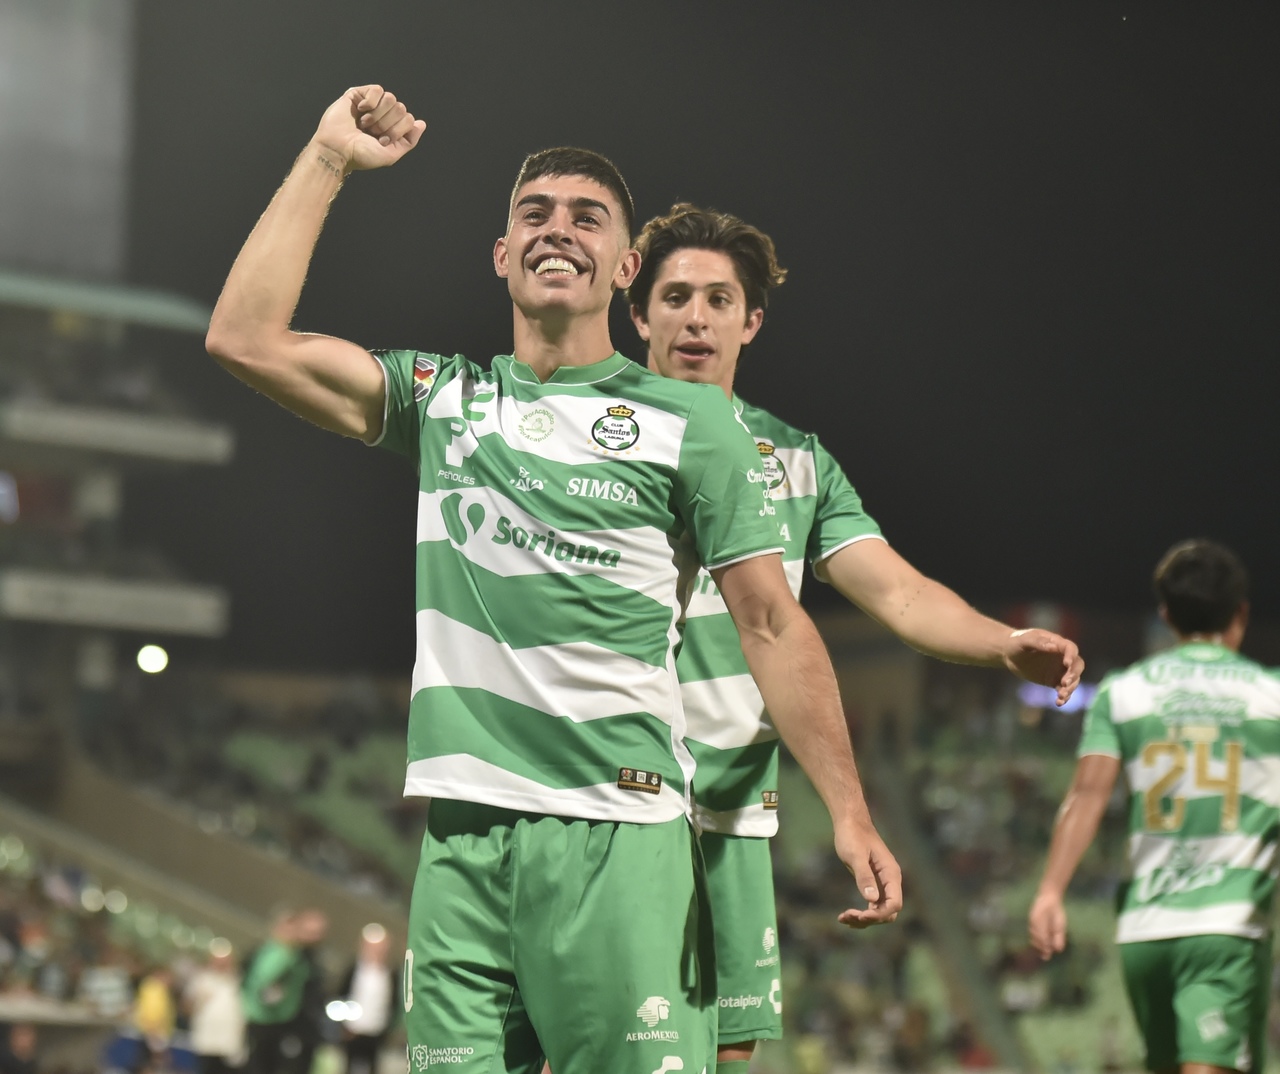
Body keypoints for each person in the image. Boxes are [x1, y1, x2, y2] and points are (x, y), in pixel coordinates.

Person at [206, 85, 901, 1074]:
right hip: (461, 841)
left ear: (622, 268)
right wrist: (326, 160)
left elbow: (772, 626)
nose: (555, 229)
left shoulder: (690, 424)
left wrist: (848, 811)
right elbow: (243, 339)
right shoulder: (445, 400)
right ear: (502, 255)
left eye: (586, 218)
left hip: (616, 832)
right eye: (533, 214)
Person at [627, 203, 1085, 1073]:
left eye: (719, 300)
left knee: (728, 1057)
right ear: (638, 312)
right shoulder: (593, 438)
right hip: (607, 810)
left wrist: (999, 643)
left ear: (751, 321)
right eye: (675, 296)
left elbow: (902, 595)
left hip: (730, 822)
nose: (695, 317)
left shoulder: (795, 461)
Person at [1029, 539, 1277, 1074]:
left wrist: (1051, 890)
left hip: (1145, 931)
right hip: (1226, 924)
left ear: (1166, 615)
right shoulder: (1271, 696)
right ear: (1241, 614)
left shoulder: (1124, 692)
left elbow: (1087, 795)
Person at [241, 910, 327, 1074]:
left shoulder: (301, 956)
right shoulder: (278, 952)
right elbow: (265, 980)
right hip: (267, 1020)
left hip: (289, 1021)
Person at [334, 923, 398, 1074]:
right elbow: (340, 995)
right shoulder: (354, 969)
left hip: (376, 1031)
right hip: (352, 1030)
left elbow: (392, 1004)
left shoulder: (390, 974)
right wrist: (343, 1024)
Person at [186, 939, 247, 1074]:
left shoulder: (240, 981)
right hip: (207, 1041)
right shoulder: (201, 979)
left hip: (231, 1043)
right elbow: (187, 1006)